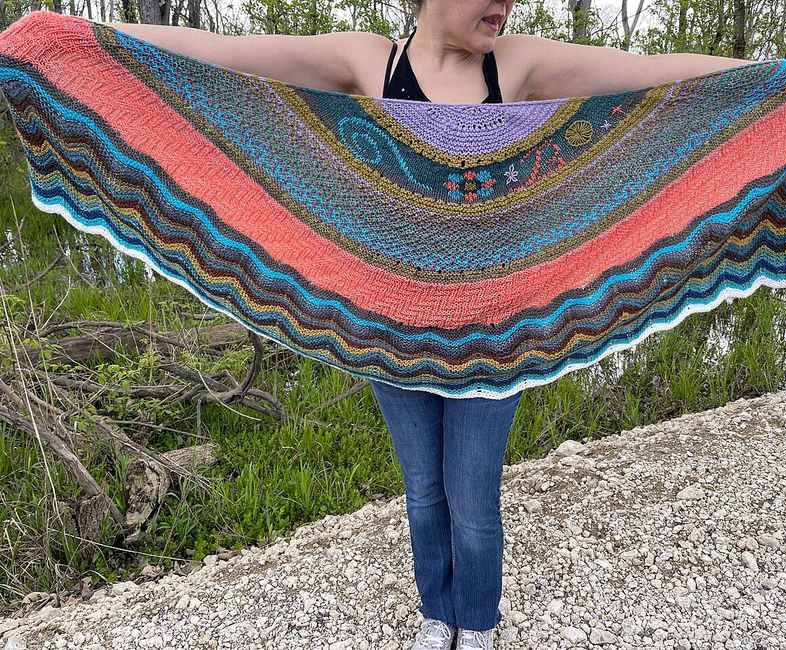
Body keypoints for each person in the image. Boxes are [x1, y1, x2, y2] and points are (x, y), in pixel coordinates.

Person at [102, 2, 749, 648]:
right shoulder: (369, 62)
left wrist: (774, 76)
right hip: (393, 335)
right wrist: (87, 33)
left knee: (473, 501)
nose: (506, 5)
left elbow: (651, 72)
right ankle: (436, 616)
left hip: (494, 340)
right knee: (422, 492)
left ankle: (478, 624)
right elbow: (221, 55)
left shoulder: (517, 65)